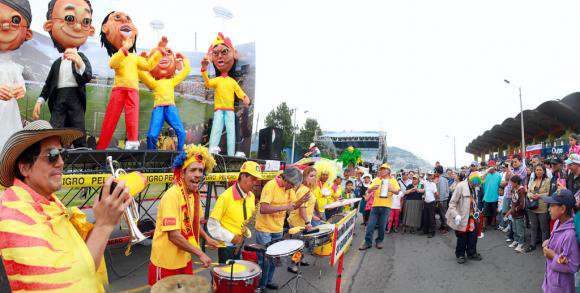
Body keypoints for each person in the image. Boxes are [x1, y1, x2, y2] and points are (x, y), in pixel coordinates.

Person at [0, 120, 130, 292]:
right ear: (25, 168)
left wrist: (101, 220)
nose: (61, 162)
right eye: (52, 155)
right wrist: (104, 225)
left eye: (62, 153)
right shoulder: (12, 214)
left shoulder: (52, 204)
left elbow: (84, 263)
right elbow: (70, 282)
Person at [148, 144, 220, 286]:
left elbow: (193, 224)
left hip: (184, 260)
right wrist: (200, 253)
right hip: (166, 263)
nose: (198, 174)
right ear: (182, 173)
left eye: (200, 170)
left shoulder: (193, 195)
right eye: (193, 170)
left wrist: (207, 238)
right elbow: (173, 235)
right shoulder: (172, 196)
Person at [97, 11, 164, 150]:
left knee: (132, 117)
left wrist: (159, 52)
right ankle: (101, 146)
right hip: (119, 90)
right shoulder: (119, 54)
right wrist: (124, 48)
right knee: (111, 118)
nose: (125, 21)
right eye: (118, 18)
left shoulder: (135, 57)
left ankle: (133, 142)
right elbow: (112, 64)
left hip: (133, 91)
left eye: (128, 19)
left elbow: (149, 65)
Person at [33, 0, 95, 148]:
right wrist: (40, 100)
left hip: (75, 98)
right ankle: (55, 152)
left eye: (85, 21)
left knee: (78, 128)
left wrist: (79, 63)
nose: (77, 27)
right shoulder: (56, 63)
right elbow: (48, 85)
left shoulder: (82, 58)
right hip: (59, 98)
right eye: (69, 19)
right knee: (56, 127)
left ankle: (81, 153)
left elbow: (87, 76)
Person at [254, 167, 307, 291]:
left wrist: (301, 201)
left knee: (274, 258)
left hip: (277, 228)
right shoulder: (270, 186)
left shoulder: (289, 189)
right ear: (286, 179)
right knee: (265, 260)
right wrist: (285, 206)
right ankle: (260, 286)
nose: (292, 188)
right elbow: (264, 209)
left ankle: (268, 281)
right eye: (292, 185)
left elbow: (292, 207)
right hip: (264, 228)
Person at [202, 33, 251, 156]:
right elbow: (207, 83)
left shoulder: (232, 81)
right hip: (219, 109)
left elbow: (239, 92)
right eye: (216, 54)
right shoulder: (218, 80)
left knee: (231, 132)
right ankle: (212, 150)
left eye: (224, 52)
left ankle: (230, 154)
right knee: (216, 130)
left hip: (229, 110)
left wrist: (244, 97)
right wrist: (203, 70)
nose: (220, 57)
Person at [208, 161, 262, 264]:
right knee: (225, 276)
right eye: (253, 179)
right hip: (227, 246)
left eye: (257, 179)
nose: (256, 183)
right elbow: (212, 226)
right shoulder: (225, 197)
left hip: (240, 243)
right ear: (242, 176)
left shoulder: (251, 196)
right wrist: (232, 238)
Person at [139, 41, 190, 151]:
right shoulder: (154, 83)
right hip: (159, 108)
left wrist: (184, 58)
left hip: (170, 107)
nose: (163, 57)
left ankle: (180, 153)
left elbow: (186, 71)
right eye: (159, 55)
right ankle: (152, 155)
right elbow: (141, 74)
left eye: (167, 54)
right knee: (152, 135)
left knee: (181, 132)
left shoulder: (172, 81)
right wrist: (141, 61)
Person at [0, 0, 32, 150]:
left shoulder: (12, 65)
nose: (5, 26)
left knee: (8, 144)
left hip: (9, 112)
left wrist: (20, 89)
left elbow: (20, 83)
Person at [541, 189, 580, 293]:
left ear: (562, 209)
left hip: (561, 286)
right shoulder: (558, 221)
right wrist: (549, 241)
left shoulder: (570, 235)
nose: (549, 209)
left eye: (552, 206)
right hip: (551, 279)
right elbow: (557, 239)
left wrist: (553, 256)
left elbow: (573, 265)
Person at [359, 164, 400, 250]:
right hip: (375, 206)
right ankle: (367, 242)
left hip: (386, 207)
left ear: (388, 171)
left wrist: (390, 189)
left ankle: (379, 241)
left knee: (382, 226)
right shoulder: (376, 179)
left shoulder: (393, 180)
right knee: (370, 225)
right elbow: (368, 191)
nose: (381, 171)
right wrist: (371, 189)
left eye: (383, 169)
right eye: (380, 169)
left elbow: (397, 192)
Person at [446, 172, 483, 264]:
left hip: (473, 216)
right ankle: (460, 255)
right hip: (462, 216)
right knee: (462, 237)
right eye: (475, 184)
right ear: (470, 181)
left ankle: (471, 253)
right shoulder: (460, 186)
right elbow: (452, 203)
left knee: (473, 236)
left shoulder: (475, 187)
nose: (476, 186)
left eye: (477, 185)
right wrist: (456, 215)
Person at [526, 164, 550, 252]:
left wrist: (538, 196)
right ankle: (532, 244)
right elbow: (528, 191)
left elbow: (548, 193)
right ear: (534, 172)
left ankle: (545, 246)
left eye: (540, 170)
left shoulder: (547, 180)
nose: (538, 171)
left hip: (542, 207)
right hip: (532, 207)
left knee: (544, 228)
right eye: (537, 170)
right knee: (533, 226)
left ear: (544, 171)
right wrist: (530, 195)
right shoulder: (533, 180)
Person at [505, 175, 527, 253]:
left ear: (516, 182)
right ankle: (516, 240)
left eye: (512, 182)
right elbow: (513, 201)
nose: (511, 184)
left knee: (520, 229)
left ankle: (521, 243)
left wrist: (516, 209)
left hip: (519, 213)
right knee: (514, 228)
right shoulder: (513, 189)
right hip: (514, 213)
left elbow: (522, 204)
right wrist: (511, 211)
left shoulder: (521, 190)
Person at [482, 163, 502, 229]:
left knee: (494, 212)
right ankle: (484, 225)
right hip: (486, 196)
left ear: (494, 167)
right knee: (485, 212)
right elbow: (480, 179)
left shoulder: (498, 175)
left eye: (491, 166)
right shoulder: (486, 174)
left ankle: (494, 223)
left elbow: (500, 185)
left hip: (495, 196)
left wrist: (499, 194)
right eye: (489, 166)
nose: (490, 168)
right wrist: (486, 172)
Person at [422, 171, 438, 238]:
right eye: (428, 175)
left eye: (430, 175)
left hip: (431, 203)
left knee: (432, 218)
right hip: (426, 202)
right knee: (425, 217)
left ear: (432, 176)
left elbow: (436, 194)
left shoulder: (433, 184)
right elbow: (424, 191)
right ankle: (426, 231)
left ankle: (432, 232)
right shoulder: (425, 183)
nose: (429, 176)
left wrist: (436, 200)